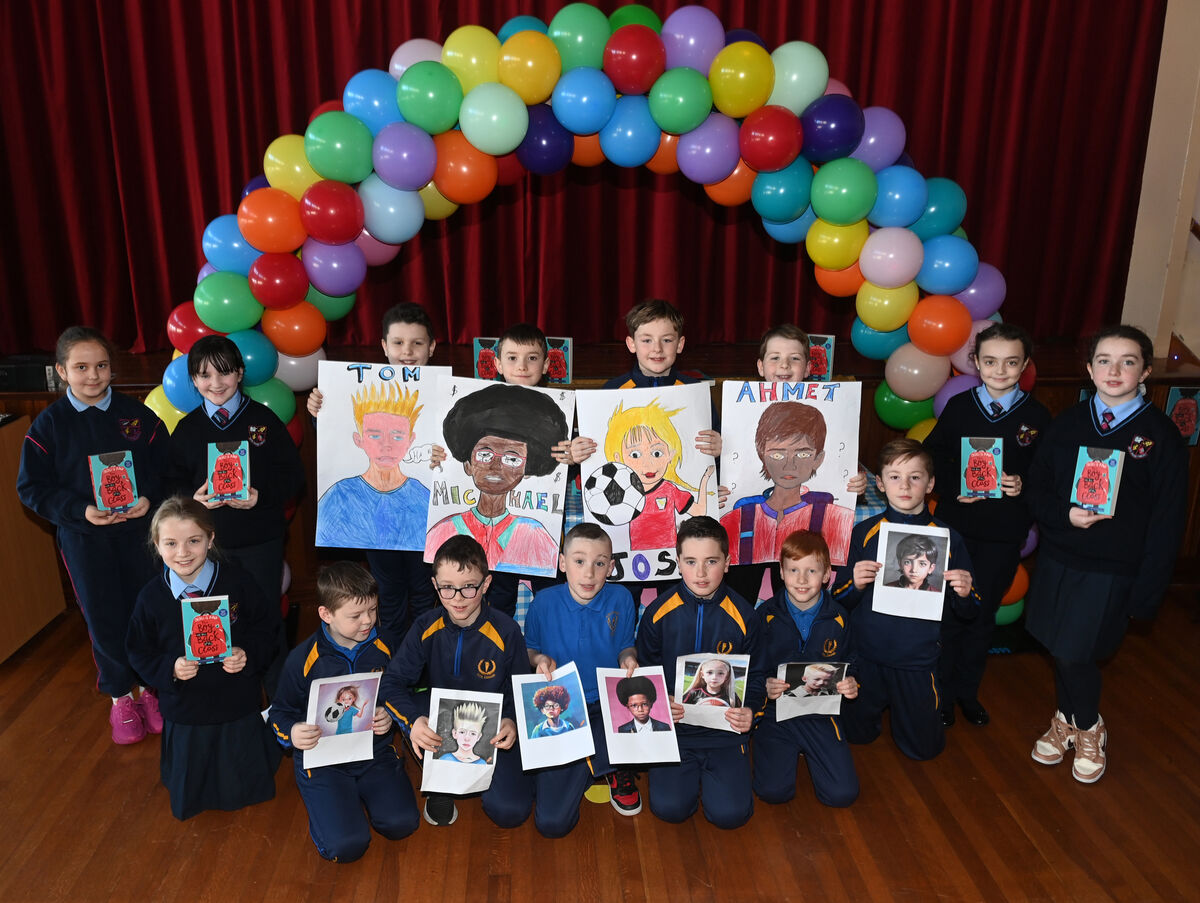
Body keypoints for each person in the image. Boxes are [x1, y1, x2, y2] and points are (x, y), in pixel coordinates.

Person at [1024, 325, 1187, 783]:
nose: (1114, 371)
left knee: (1077, 654)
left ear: (1146, 372)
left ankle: (1089, 725)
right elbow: (1036, 490)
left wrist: (1146, 595)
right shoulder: (1067, 424)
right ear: (1089, 368)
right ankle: (1065, 720)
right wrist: (1064, 516)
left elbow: (1167, 523)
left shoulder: (1160, 437)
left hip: (1113, 568)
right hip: (1060, 556)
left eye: (1128, 361)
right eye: (1104, 360)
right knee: (1058, 647)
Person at [17, 326, 168, 744]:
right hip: (85, 541)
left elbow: (166, 467)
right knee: (104, 619)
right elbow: (32, 488)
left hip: (140, 535)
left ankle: (151, 689)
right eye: (81, 367)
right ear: (62, 371)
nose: (92, 376)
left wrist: (148, 498)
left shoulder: (135, 415)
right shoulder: (49, 426)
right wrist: (80, 510)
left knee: (147, 609)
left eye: (101, 366)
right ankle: (121, 698)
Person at [923, 322, 1052, 727]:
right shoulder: (960, 407)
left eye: (1011, 362)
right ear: (976, 363)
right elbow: (931, 459)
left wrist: (1022, 483)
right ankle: (941, 695)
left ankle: (968, 693)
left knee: (982, 616)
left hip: (1002, 534)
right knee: (947, 614)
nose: (1001, 370)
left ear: (1024, 365)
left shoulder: (1036, 415)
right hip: (956, 529)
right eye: (991, 361)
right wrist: (950, 485)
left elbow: (1049, 475)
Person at [126, 496, 280, 819]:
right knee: (192, 785)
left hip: (236, 702)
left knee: (243, 785)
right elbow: (138, 650)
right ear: (157, 544)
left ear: (210, 539)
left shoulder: (238, 581)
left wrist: (247, 653)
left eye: (193, 541)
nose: (182, 553)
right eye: (171, 543)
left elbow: (266, 627)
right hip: (186, 709)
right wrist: (169, 668)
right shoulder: (151, 598)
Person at [166, 335, 300, 689]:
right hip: (205, 549)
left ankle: (278, 703)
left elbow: (293, 477)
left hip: (260, 542)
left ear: (240, 373)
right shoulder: (186, 430)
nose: (215, 383)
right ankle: (226, 695)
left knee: (265, 618)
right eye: (205, 375)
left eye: (224, 373)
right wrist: (191, 501)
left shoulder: (264, 421)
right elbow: (169, 488)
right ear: (193, 380)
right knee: (212, 625)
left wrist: (261, 497)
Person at [832, 439, 978, 761]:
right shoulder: (864, 532)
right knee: (855, 736)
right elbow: (838, 598)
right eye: (895, 477)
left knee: (925, 750)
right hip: (866, 655)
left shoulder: (948, 538)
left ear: (930, 484)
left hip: (916, 658)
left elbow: (970, 608)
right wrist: (853, 584)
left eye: (915, 477)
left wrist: (965, 593)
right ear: (880, 484)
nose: (906, 485)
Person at [269, 561, 419, 862]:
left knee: (402, 824)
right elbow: (279, 714)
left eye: (373, 610)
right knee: (347, 847)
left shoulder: (387, 646)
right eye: (356, 615)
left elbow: (401, 690)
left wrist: (389, 716)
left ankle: (359, 799)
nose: (368, 621)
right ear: (326, 614)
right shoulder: (302, 659)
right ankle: (332, 809)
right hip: (323, 761)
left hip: (373, 753)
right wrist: (293, 734)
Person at [381, 535, 532, 828]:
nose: (459, 599)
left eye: (469, 587)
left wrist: (512, 721)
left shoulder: (507, 631)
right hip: (443, 720)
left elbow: (521, 689)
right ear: (435, 586)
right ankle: (440, 781)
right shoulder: (425, 626)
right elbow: (391, 683)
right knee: (416, 711)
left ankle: (477, 773)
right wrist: (413, 722)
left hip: (492, 725)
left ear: (486, 584)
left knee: (510, 812)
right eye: (448, 588)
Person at [309, 302, 441, 636]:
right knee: (390, 599)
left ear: (432, 347)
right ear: (383, 346)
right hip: (376, 531)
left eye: (417, 343)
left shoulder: (443, 393)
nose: (407, 352)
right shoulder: (357, 387)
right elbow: (333, 443)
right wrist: (319, 414)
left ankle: (427, 671)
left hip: (425, 517)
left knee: (427, 597)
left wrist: (447, 459)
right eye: (397, 343)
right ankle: (396, 673)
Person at [634, 516, 765, 829]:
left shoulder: (745, 616)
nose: (701, 573)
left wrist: (751, 712)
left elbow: (758, 675)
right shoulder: (658, 613)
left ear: (728, 563)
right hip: (675, 730)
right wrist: (659, 701)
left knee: (731, 816)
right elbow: (643, 673)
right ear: (678, 562)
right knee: (669, 809)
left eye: (711, 561)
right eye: (691, 561)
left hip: (725, 734)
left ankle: (721, 777)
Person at [722, 326, 867, 604]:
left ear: (810, 367)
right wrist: (720, 455)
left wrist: (853, 482)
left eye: (795, 359)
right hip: (748, 546)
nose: (784, 366)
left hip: (804, 543)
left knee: (798, 597)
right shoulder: (740, 515)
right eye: (775, 358)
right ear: (760, 366)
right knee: (739, 595)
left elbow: (844, 465)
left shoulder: (832, 515)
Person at [524, 523, 640, 830]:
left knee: (639, 722)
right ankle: (590, 763)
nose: (589, 574)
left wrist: (628, 657)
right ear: (562, 563)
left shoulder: (622, 599)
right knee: (552, 824)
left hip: (607, 703)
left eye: (599, 563)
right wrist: (540, 660)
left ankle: (608, 766)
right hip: (564, 706)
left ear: (611, 567)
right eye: (579, 561)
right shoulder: (542, 603)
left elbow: (626, 644)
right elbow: (531, 650)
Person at [484, 322, 596, 616]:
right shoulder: (481, 407)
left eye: (532, 358)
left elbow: (570, 471)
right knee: (499, 596)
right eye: (511, 357)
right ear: (497, 363)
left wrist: (573, 458)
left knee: (550, 597)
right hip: (496, 524)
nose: (522, 365)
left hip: (544, 521)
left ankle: (552, 655)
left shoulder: (564, 409)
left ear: (546, 364)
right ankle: (503, 654)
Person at [424, 383, 570, 600]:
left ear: (526, 471)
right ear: (468, 464)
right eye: (485, 454)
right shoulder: (444, 532)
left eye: (512, 458)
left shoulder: (534, 535)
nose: (496, 466)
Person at [755, 530, 859, 807]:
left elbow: (853, 660)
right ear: (781, 572)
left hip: (821, 713)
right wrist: (765, 683)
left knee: (842, 795)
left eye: (811, 570)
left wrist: (852, 682)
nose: (801, 580)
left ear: (826, 575)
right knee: (772, 793)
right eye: (793, 570)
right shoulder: (763, 617)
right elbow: (752, 666)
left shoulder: (839, 617)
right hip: (775, 713)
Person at [720, 400, 856, 568]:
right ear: (762, 455)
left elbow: (838, 579)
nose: (789, 466)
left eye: (802, 455)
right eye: (778, 455)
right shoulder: (734, 520)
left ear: (818, 459)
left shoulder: (838, 520)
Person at [315, 381, 430, 550]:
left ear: (410, 441)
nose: (386, 445)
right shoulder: (340, 496)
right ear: (358, 440)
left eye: (397, 437)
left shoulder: (422, 498)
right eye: (375, 436)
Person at [603, 398, 716, 551]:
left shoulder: (670, 490)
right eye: (635, 455)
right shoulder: (624, 492)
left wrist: (705, 480)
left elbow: (699, 512)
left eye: (657, 453)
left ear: (670, 454)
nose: (648, 464)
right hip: (635, 561)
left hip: (671, 558)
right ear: (619, 459)